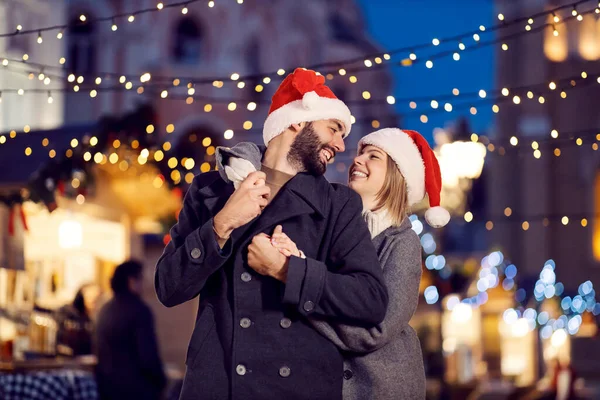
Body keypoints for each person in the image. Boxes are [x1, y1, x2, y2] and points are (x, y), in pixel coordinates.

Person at [155, 68, 388, 400]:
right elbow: (168, 287)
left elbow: (370, 300)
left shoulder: (337, 205)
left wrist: (286, 269)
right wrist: (221, 225)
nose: (340, 144)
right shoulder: (212, 191)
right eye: (333, 128)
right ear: (296, 121)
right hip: (219, 388)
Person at [219, 128, 449, 399]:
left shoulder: (402, 243)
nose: (358, 160)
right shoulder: (330, 222)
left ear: (396, 177)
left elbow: (374, 332)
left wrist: (295, 283)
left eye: (373, 156)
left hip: (377, 389)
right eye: (360, 153)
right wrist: (241, 164)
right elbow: (278, 159)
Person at [96, 260, 166, 400]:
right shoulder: (139, 310)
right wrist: (161, 382)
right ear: (131, 281)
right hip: (137, 389)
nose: (143, 285)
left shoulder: (104, 309)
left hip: (107, 389)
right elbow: (148, 356)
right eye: (140, 278)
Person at [55, 283, 99, 356]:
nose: (94, 301)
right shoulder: (65, 312)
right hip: (65, 358)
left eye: (96, 299)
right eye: (91, 297)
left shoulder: (90, 319)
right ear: (81, 295)